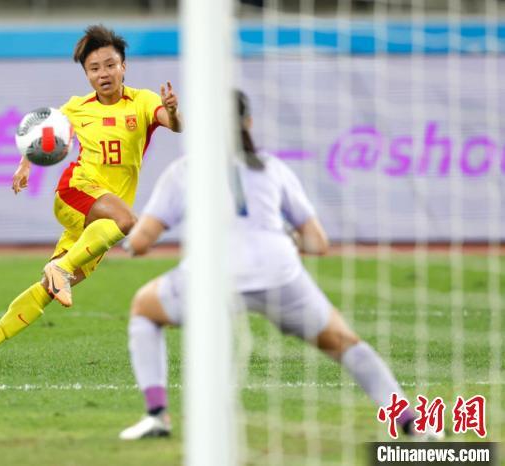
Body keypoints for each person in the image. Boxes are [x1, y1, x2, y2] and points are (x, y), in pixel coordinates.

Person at [117, 90, 427, 440]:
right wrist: (282, 240)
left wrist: (127, 242)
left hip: (211, 278)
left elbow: (142, 242)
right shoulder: (273, 168)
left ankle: (157, 415)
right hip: (278, 273)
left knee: (145, 307)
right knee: (344, 341)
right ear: (248, 123)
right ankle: (411, 423)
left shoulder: (184, 171)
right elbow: (317, 243)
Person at [0, 25, 181, 369]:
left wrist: (174, 109)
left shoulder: (143, 102)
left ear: (123, 66)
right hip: (75, 193)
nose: (103, 73)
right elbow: (41, 134)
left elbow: (175, 123)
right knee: (128, 222)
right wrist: (25, 165)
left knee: (49, 289)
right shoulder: (77, 108)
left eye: (110, 65)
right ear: (86, 74)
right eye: (94, 69)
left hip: (101, 218)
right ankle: (60, 267)